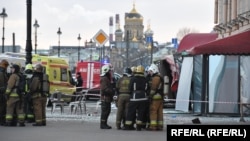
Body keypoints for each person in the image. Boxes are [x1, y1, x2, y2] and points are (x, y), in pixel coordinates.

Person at [124, 65, 149, 131]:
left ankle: (128, 126)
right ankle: (139, 126)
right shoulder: (145, 79)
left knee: (131, 112)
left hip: (134, 97)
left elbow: (130, 88)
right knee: (141, 113)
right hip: (144, 98)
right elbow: (147, 88)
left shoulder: (133, 79)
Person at [147, 64, 164, 131]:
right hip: (160, 97)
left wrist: (150, 96)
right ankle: (160, 126)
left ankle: (153, 126)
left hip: (155, 97)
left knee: (153, 111)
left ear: (154, 70)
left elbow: (153, 88)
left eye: (150, 71)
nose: (150, 73)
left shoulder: (156, 78)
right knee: (159, 112)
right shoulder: (160, 77)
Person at [100, 64, 115, 129]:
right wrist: (111, 91)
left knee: (107, 111)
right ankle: (103, 124)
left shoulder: (106, 78)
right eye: (109, 71)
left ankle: (104, 123)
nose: (110, 72)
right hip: (105, 98)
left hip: (107, 98)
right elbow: (104, 89)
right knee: (105, 112)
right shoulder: (104, 79)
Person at [0, 59, 9, 126]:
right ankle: (2, 121)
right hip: (2, 93)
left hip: (2, 92)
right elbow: (3, 84)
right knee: (2, 107)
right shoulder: (2, 72)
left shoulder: (2, 72)